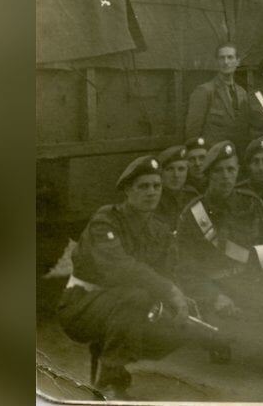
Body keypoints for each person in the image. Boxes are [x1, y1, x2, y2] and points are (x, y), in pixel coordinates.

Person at [56, 156, 226, 397]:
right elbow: (119, 267)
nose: (151, 192)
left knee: (177, 327)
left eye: (156, 186)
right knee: (136, 296)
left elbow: (172, 271)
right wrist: (169, 290)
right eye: (143, 186)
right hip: (82, 304)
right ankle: (111, 382)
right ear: (127, 191)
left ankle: (111, 354)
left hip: (127, 304)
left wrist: (190, 302)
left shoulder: (159, 229)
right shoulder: (106, 220)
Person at [174, 141, 263, 377]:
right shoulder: (194, 215)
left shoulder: (251, 203)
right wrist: (213, 296)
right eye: (219, 171)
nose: (226, 177)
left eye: (231, 170)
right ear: (208, 175)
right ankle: (216, 339)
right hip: (214, 287)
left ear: (237, 171)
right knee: (216, 332)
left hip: (250, 281)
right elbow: (185, 269)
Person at [185, 43, 247, 143]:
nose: (226, 62)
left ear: (238, 61)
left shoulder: (242, 93)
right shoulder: (204, 91)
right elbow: (193, 131)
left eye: (230, 57)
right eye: (222, 58)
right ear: (216, 62)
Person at [155, 145, 199, 231]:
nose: (176, 175)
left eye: (181, 169)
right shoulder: (154, 199)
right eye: (170, 169)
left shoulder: (192, 196)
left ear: (187, 171)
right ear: (160, 173)